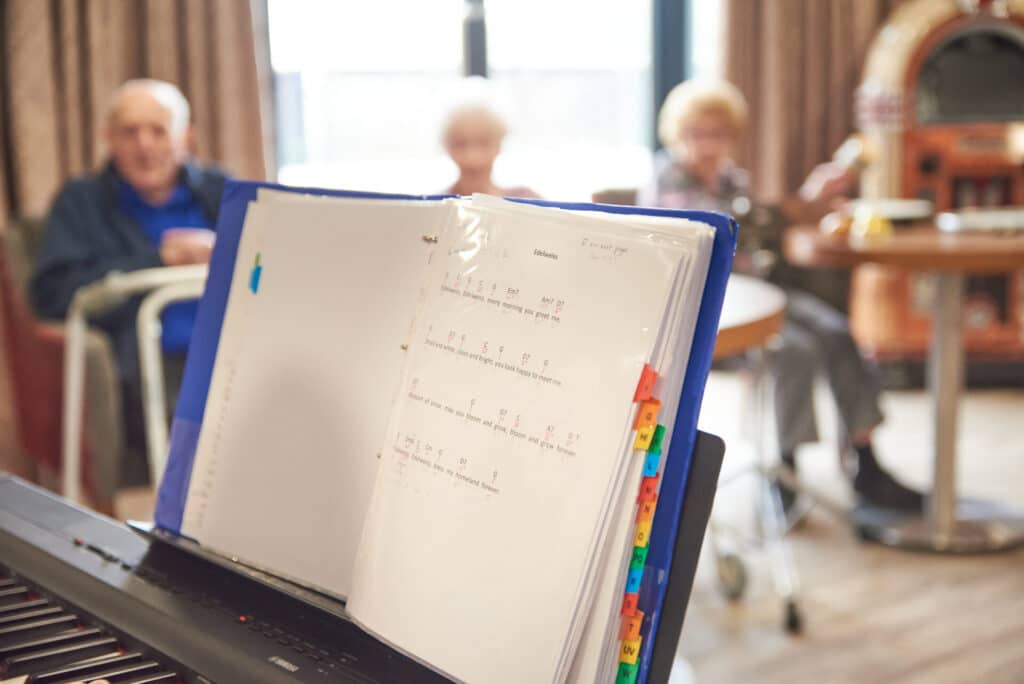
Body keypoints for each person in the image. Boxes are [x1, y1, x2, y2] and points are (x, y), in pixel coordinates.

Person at [641, 79, 923, 513]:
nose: (708, 145)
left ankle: (866, 460)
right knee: (794, 350)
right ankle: (786, 469)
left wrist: (813, 206)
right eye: (697, 134)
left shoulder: (732, 178)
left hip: (763, 290)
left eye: (718, 134)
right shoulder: (668, 178)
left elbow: (762, 231)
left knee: (837, 332)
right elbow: (727, 229)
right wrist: (802, 203)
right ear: (677, 135)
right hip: (713, 307)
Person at [31, 79, 228, 486]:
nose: (144, 145)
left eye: (158, 131)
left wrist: (224, 251)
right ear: (108, 139)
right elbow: (53, 294)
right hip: (146, 365)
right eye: (130, 132)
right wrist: (159, 260)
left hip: (229, 351)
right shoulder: (81, 201)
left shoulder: (220, 191)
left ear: (186, 138)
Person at [441, 81, 540, 199]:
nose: (473, 158)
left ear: (499, 144)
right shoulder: (434, 206)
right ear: (448, 147)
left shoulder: (527, 200)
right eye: (460, 144)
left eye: (484, 143)